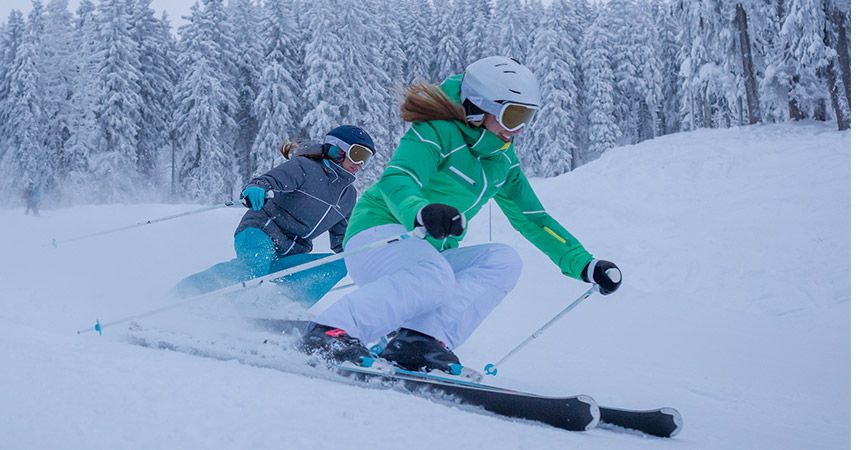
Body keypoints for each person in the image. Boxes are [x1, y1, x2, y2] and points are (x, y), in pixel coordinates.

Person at [300, 56, 622, 371]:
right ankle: (332, 330)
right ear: (480, 107)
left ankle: (419, 340)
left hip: (424, 256)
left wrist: (585, 264)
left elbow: (534, 219)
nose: (520, 129)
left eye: (528, 117)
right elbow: (398, 178)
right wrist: (421, 211)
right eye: (513, 117)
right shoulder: (437, 132)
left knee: (503, 260)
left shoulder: (502, 162)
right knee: (434, 276)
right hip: (377, 236)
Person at [174, 125, 376, 307]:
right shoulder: (305, 167)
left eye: (365, 158)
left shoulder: (348, 196)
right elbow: (267, 181)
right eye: (357, 153)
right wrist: (256, 189)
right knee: (255, 266)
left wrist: (367, 252)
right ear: (336, 149)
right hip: (261, 232)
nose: (360, 163)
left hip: (292, 252)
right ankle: (187, 293)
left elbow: (344, 243)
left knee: (339, 263)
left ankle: (281, 305)